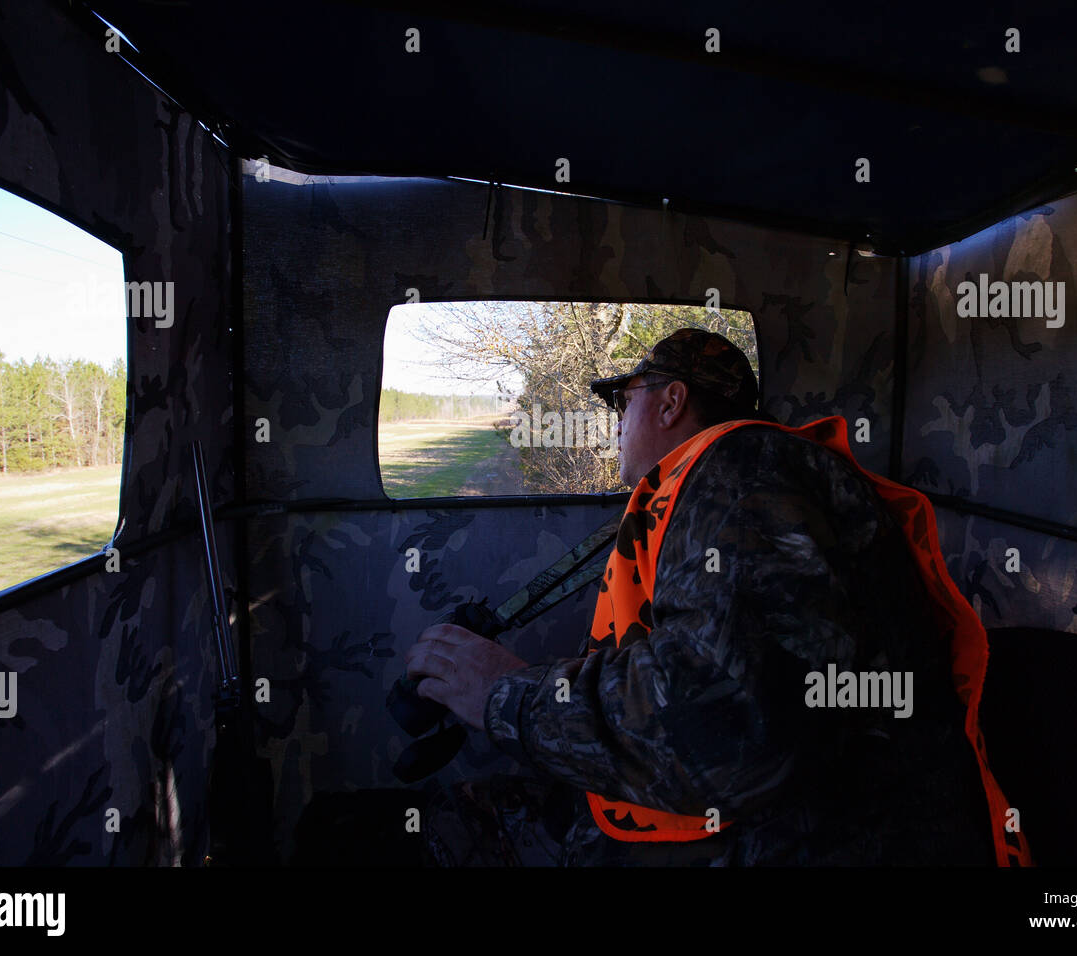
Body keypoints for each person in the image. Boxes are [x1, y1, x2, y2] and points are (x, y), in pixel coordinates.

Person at [405, 328, 1030, 866]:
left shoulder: (742, 468)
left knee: (454, 830)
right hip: (789, 821)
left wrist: (507, 698)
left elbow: (727, 719)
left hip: (827, 838)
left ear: (673, 401)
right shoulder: (721, 479)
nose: (617, 421)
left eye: (625, 400)